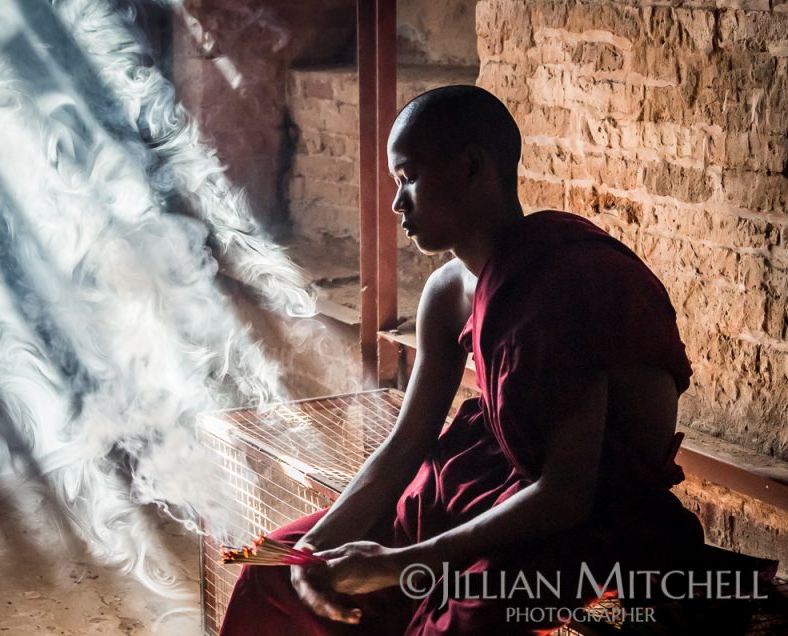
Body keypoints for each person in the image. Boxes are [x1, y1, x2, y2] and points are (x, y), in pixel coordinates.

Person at [218, 85, 770, 635]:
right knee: (270, 574)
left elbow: (567, 492)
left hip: (571, 519)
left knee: (449, 620)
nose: (396, 203)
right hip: (469, 487)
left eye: (408, 178)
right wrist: (314, 550)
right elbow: (409, 439)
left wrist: (410, 562)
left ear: (472, 167)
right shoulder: (446, 291)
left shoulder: (567, 282)